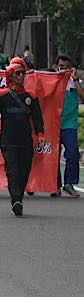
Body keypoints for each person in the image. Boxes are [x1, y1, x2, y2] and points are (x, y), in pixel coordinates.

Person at [0, 63, 45, 216]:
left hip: (25, 141)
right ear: (10, 76)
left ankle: (19, 197)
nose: (21, 76)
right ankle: (16, 201)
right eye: (18, 73)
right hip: (8, 141)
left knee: (24, 171)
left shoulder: (31, 96)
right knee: (12, 171)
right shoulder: (2, 95)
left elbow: (37, 118)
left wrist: (41, 135)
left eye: (23, 73)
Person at [55, 56, 83, 197]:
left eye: (66, 67)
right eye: (61, 66)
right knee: (53, 156)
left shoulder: (75, 82)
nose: (63, 69)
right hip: (53, 124)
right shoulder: (51, 80)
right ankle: (55, 186)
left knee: (72, 153)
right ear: (56, 66)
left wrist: (76, 79)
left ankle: (69, 183)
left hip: (69, 125)